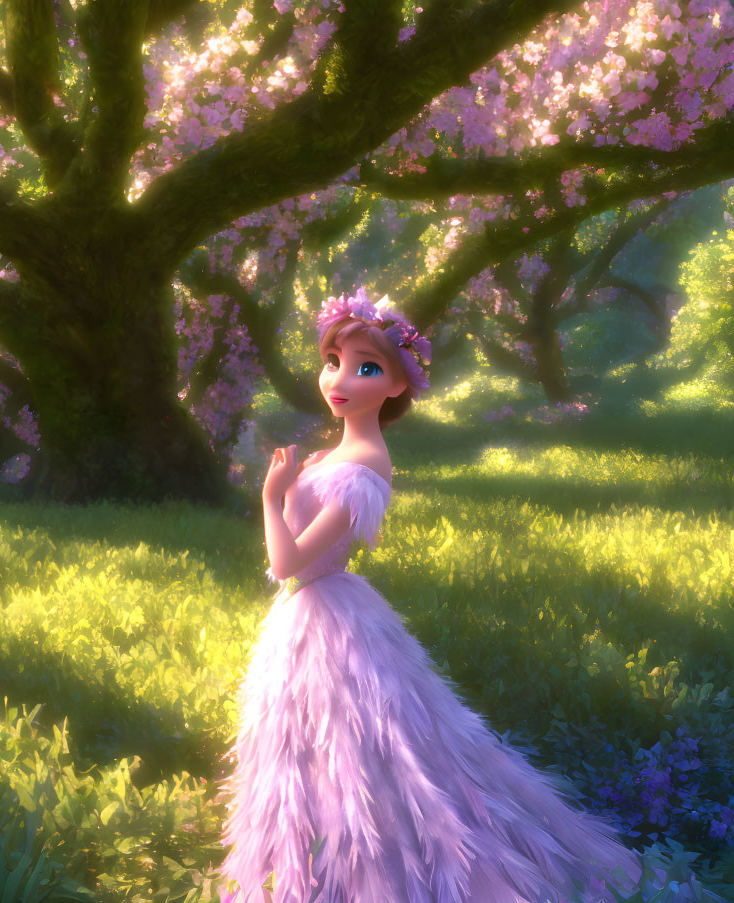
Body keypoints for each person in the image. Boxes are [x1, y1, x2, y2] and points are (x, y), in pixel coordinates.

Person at [216, 288, 717, 903]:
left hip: (327, 615)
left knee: (367, 747)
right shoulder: (333, 454)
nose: (341, 379)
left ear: (397, 385)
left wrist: (270, 498)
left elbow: (287, 561)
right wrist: (290, 492)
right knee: (315, 744)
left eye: (366, 367)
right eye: (333, 361)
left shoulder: (363, 466)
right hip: (317, 615)